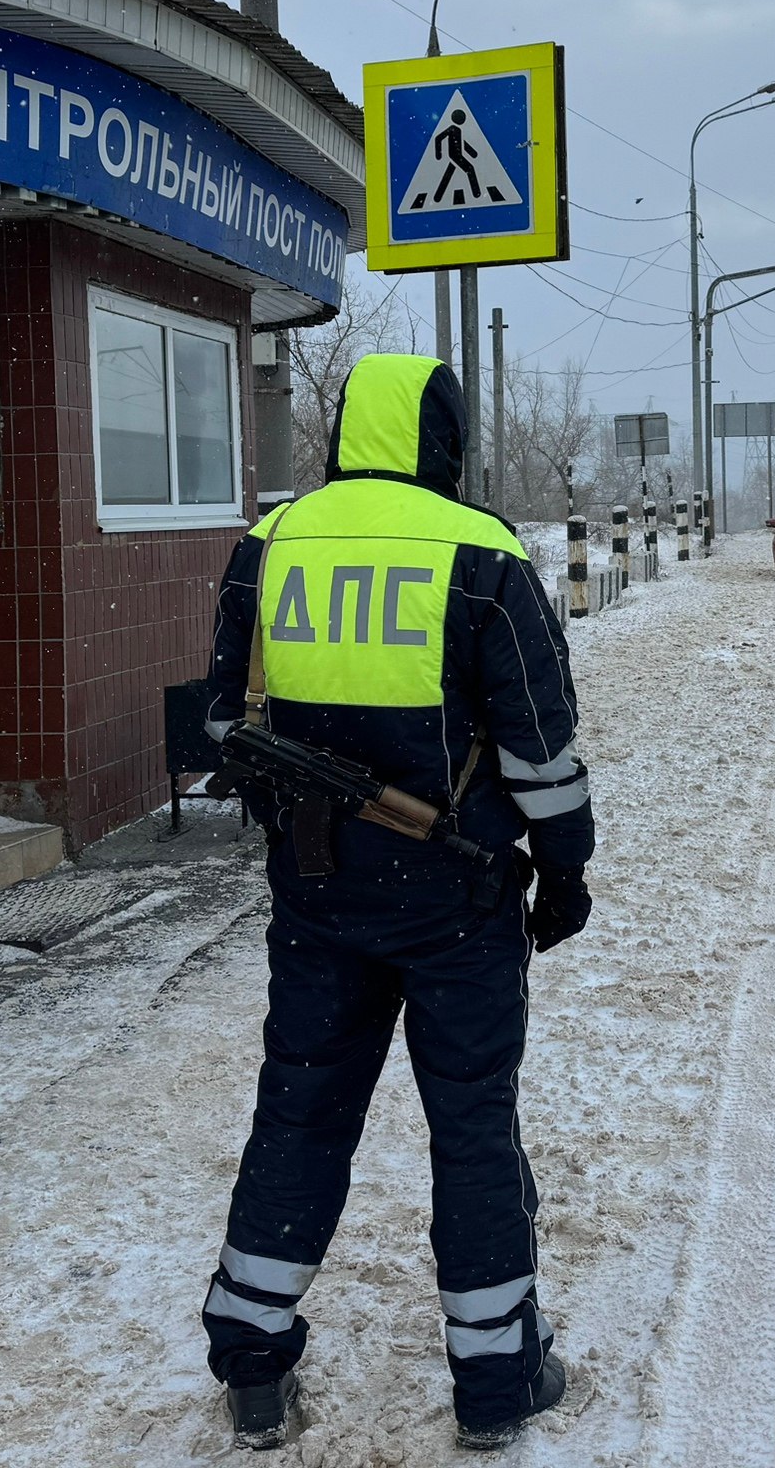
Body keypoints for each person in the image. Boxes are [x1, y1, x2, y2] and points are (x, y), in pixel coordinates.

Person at [196, 352, 594, 1452]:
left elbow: (224, 722)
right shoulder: (481, 554)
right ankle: (495, 1375)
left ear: (344, 436)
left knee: (301, 1108)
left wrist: (304, 811)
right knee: (470, 1126)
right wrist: (564, 867)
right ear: (444, 443)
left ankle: (253, 1361)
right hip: (458, 896)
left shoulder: (270, 543)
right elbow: (540, 745)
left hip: (315, 893)